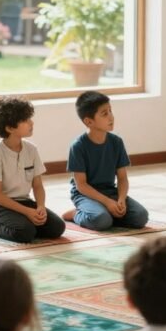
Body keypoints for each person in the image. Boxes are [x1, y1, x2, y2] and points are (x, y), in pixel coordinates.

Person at [0, 96, 65, 243]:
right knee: (25, 233)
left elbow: (37, 185)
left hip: (24, 201)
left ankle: (25, 221)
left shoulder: (31, 149)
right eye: (25, 120)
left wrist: (40, 207)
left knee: (57, 228)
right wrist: (27, 212)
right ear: (9, 128)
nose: (31, 122)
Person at [62, 91, 149, 231]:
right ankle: (76, 214)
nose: (111, 117)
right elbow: (81, 186)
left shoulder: (116, 142)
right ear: (89, 121)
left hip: (109, 191)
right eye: (104, 113)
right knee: (101, 220)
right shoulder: (78, 146)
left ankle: (107, 213)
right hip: (85, 195)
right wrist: (108, 202)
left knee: (141, 217)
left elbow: (122, 178)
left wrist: (121, 199)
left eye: (110, 111)